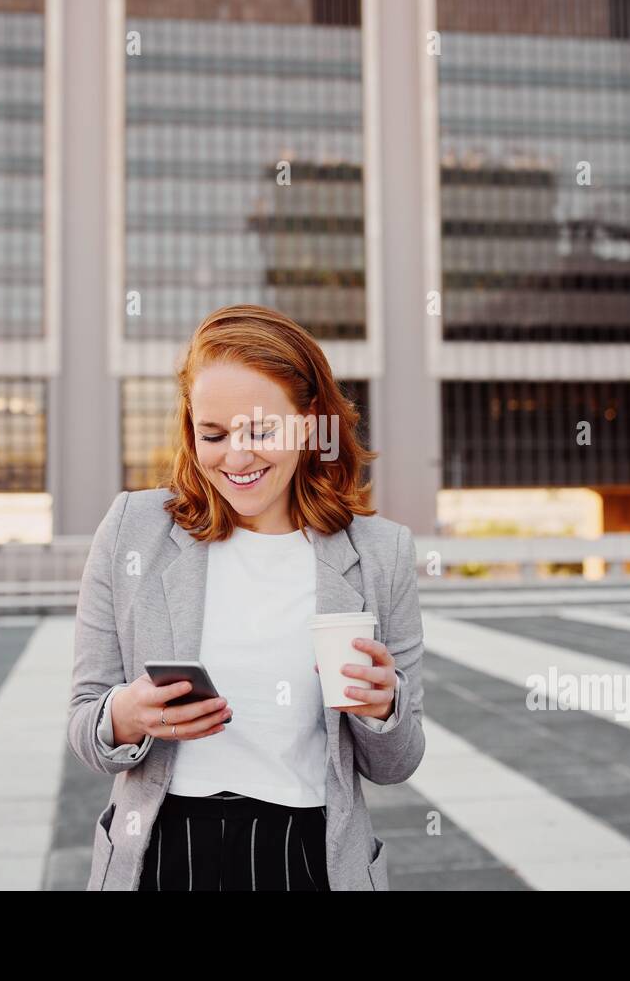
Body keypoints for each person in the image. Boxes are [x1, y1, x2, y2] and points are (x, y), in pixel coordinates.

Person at [68, 304, 426, 890]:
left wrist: (383, 709)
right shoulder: (133, 529)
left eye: (261, 431)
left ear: (310, 424)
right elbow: (87, 725)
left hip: (308, 856)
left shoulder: (381, 553)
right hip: (162, 853)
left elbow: (396, 764)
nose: (235, 457)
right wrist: (127, 716)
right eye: (213, 434)